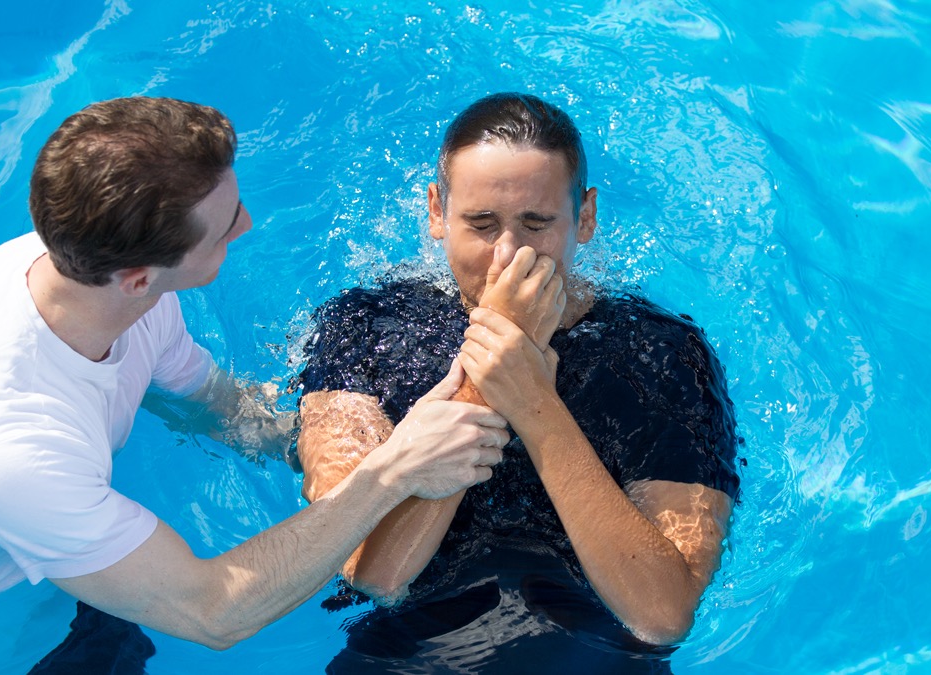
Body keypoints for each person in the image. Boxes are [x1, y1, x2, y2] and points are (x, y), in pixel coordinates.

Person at [0, 96, 510, 674]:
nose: (248, 224)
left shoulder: (94, 279)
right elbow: (215, 612)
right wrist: (392, 473)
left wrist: (353, 424)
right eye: (226, 227)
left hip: (56, 585)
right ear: (141, 276)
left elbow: (214, 406)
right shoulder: (6, 450)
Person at [296, 93, 741, 673]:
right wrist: (488, 381)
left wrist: (533, 402)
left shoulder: (661, 355)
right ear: (436, 212)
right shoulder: (364, 328)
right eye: (481, 225)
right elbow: (374, 574)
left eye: (536, 224)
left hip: (596, 653)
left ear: (585, 217)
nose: (507, 255)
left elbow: (661, 614)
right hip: (405, 649)